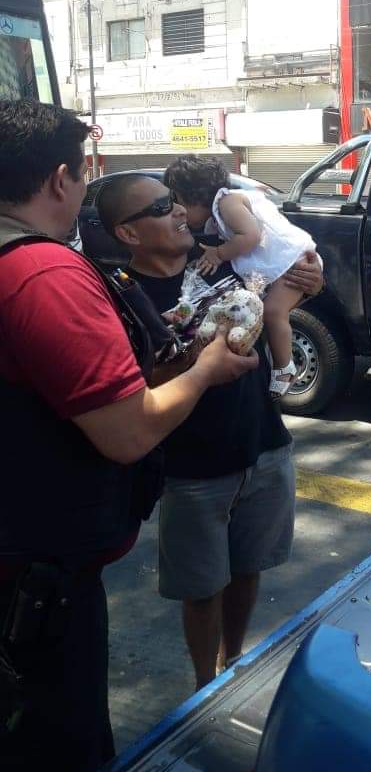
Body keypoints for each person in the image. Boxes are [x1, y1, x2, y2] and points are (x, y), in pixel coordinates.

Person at [0, 101, 258, 772]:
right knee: (61, 759)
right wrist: (206, 371)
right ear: (61, 178)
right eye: (83, 173)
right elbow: (127, 431)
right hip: (38, 577)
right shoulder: (46, 276)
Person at [96, 173, 323, 690]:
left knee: (248, 570)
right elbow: (135, 387)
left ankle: (234, 662)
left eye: (174, 200)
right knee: (203, 587)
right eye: (160, 207)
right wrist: (196, 366)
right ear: (128, 234)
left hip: (264, 444)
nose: (179, 212)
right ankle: (204, 685)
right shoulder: (123, 298)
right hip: (193, 467)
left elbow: (282, 292)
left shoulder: (227, 255)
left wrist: (309, 283)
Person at [163, 156, 318, 397]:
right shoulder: (218, 218)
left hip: (293, 261)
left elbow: (252, 236)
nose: (178, 210)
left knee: (274, 312)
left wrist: (219, 254)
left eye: (177, 200)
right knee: (270, 311)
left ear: (195, 196)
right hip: (285, 264)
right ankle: (279, 362)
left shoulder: (227, 203)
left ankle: (284, 368)